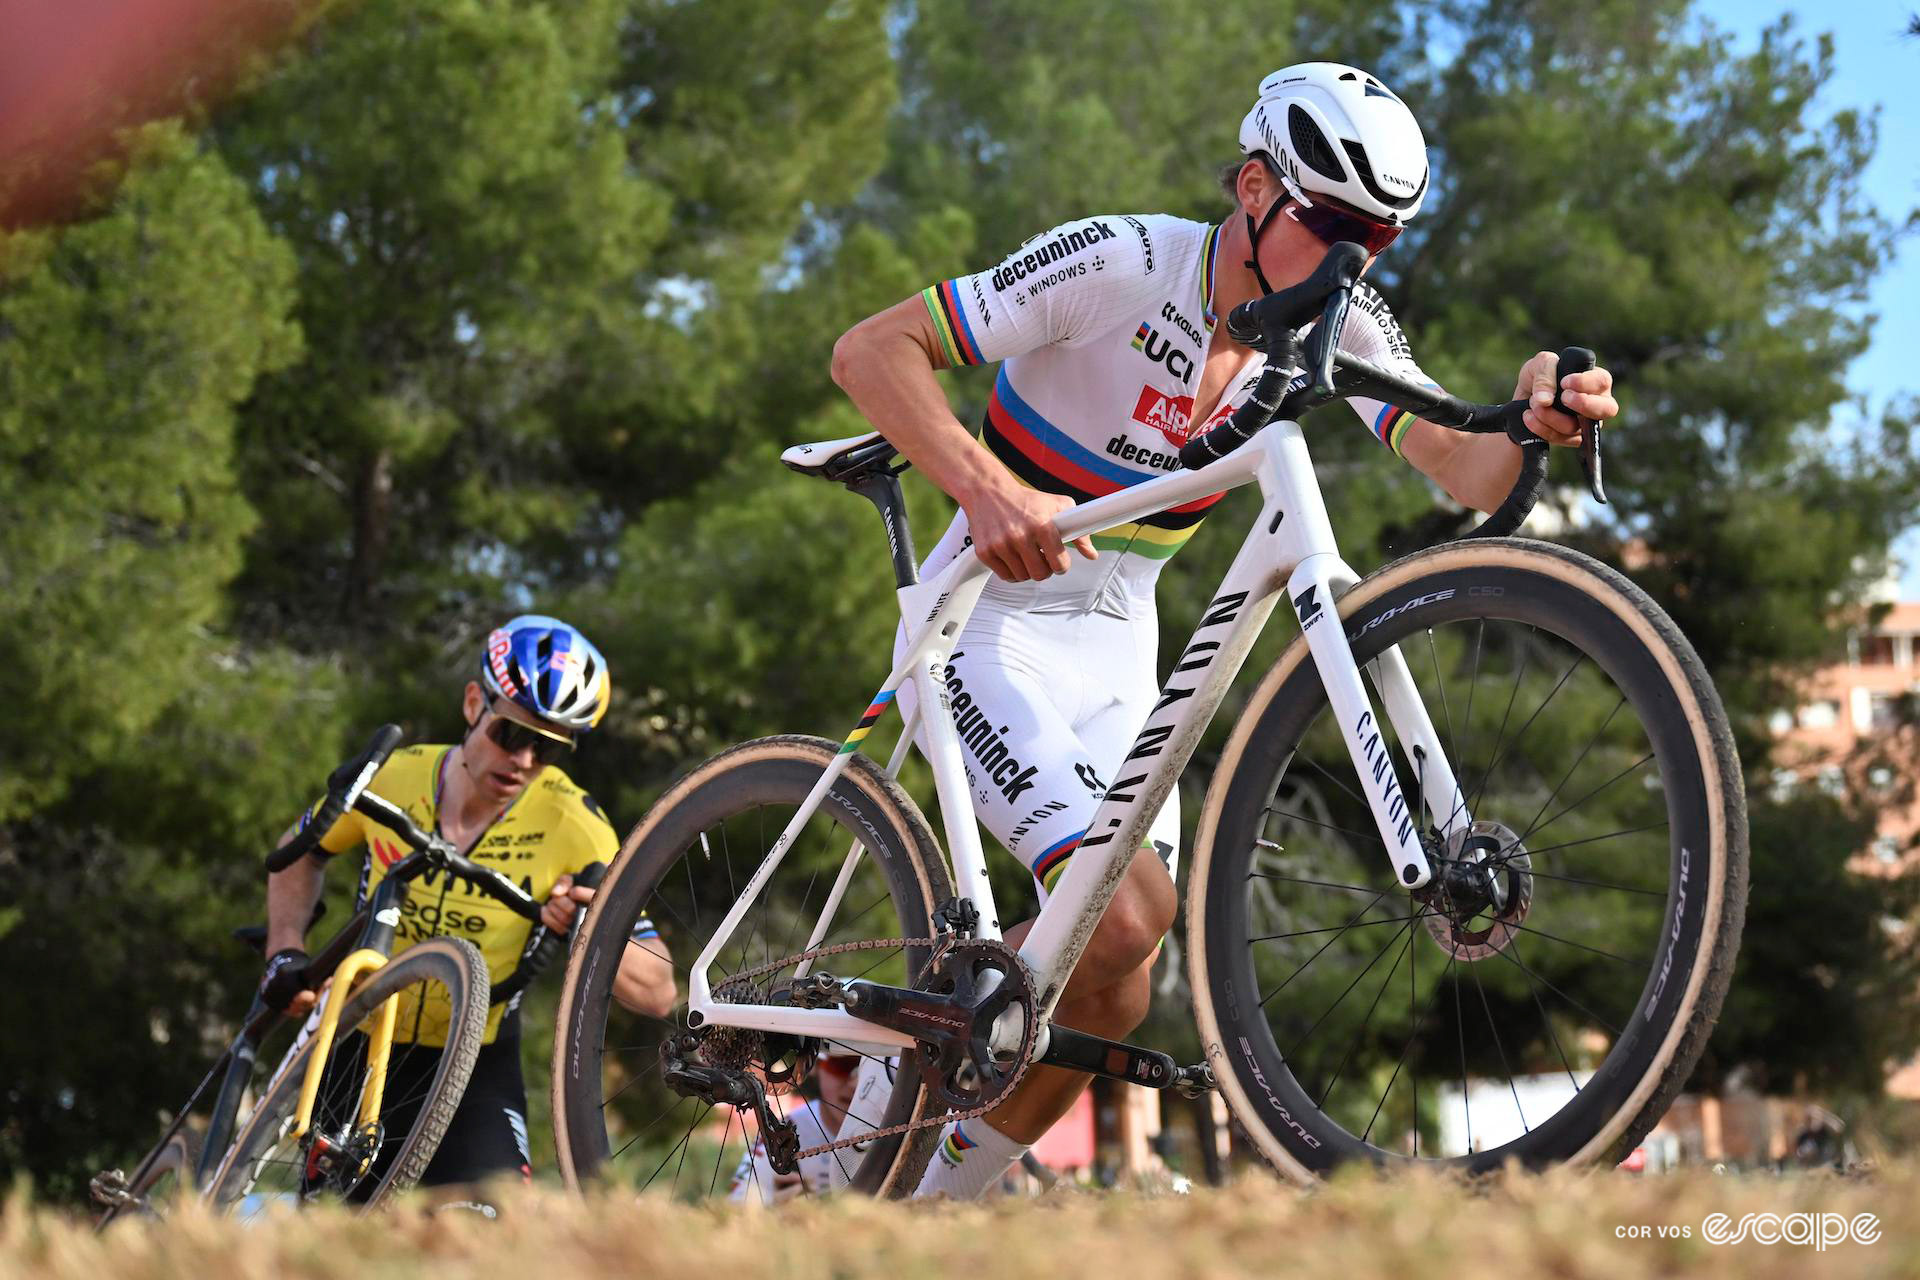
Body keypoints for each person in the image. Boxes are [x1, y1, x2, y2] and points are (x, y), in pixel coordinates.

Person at [826, 62, 1619, 1199]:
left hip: (1117, 643)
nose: (1352, 261)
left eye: (1379, 240)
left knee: (1118, 981)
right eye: (1332, 226)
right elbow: (869, 348)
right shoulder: (1122, 263)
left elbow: (1462, 461)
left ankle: (905, 1201)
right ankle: (838, 1141)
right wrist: (984, 484)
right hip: (983, 623)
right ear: (1255, 186)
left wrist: (1534, 408)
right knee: (1126, 913)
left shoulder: (1337, 317)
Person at [259, 614, 675, 1196]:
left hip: (474, 1063)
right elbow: (296, 854)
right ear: (474, 701)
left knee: (491, 1223)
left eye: (548, 748)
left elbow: (659, 991)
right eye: (511, 734)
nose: (525, 760)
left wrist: (589, 926)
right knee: (334, 1235)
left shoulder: (577, 826)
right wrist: (285, 952)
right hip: (356, 1042)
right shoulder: (393, 776)